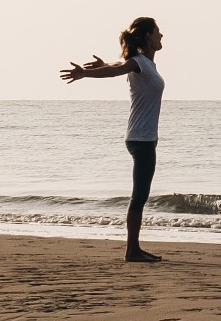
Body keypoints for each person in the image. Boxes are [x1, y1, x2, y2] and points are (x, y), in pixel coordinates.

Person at [60, 16, 167, 263]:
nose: (161, 36)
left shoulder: (145, 64)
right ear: (147, 36)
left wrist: (99, 64)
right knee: (139, 195)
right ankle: (132, 250)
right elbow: (116, 70)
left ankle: (135, 248)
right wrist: (86, 73)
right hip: (140, 138)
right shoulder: (138, 62)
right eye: (158, 32)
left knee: (141, 193)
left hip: (145, 137)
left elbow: (116, 64)